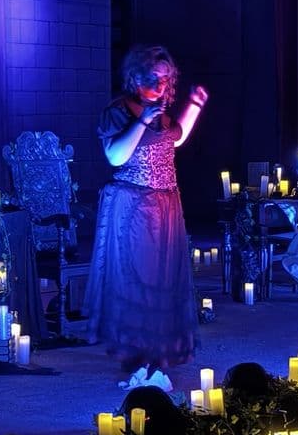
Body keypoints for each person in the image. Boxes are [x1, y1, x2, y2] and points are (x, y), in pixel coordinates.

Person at [84, 44, 209, 390]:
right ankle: (141, 356)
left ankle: (155, 358)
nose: (160, 85)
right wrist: (141, 120)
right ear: (136, 77)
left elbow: (175, 140)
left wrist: (194, 106)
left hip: (166, 205)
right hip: (134, 206)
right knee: (138, 282)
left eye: (166, 79)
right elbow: (115, 157)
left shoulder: (163, 115)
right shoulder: (119, 111)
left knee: (162, 284)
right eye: (153, 77)